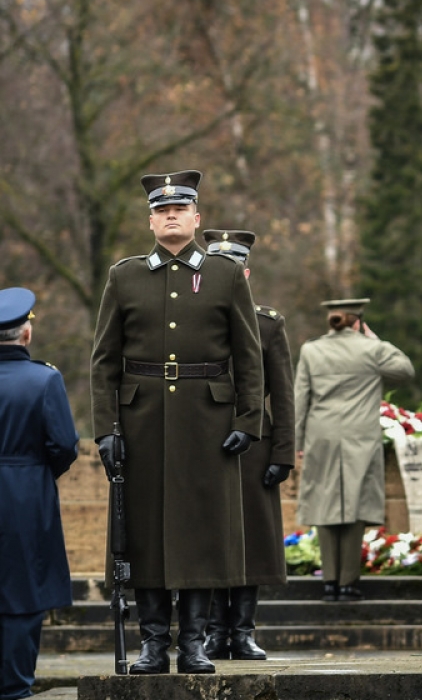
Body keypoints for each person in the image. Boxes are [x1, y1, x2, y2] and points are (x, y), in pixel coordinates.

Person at [90, 170, 264, 675]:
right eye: (162, 210)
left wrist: (249, 420)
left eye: (180, 208)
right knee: (140, 531)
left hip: (207, 423)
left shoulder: (225, 275)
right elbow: (104, 361)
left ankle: (192, 644)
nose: (171, 215)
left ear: (196, 218)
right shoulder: (123, 276)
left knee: (202, 533)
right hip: (140, 422)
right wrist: (106, 428)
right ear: (150, 220)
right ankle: (151, 644)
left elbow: (249, 357)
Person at [200, 230, 294, 660]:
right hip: (205, 440)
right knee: (211, 538)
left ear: (247, 271)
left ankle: (242, 632)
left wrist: (282, 453)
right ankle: (214, 633)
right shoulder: (194, 318)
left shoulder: (267, 323)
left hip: (255, 445)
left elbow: (284, 392)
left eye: (236, 267)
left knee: (252, 540)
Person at [295, 299, 413, 603]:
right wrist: (375, 340)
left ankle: (329, 582)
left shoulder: (312, 349)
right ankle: (348, 583)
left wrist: (296, 443)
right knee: (355, 509)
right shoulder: (371, 349)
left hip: (321, 436)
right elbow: (405, 370)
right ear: (358, 320)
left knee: (324, 507)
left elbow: (300, 400)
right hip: (360, 436)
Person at [0, 288, 78, 700]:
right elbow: (64, 444)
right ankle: (13, 688)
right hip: (25, 495)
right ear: (26, 334)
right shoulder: (44, 379)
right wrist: (38, 471)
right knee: (24, 592)